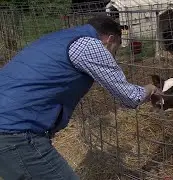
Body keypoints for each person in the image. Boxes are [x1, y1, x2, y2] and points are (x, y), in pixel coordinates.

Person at [0, 14, 161, 179]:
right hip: (15, 132)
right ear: (110, 39)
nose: (114, 56)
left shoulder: (58, 38)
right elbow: (130, 97)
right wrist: (150, 89)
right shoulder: (90, 45)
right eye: (116, 48)